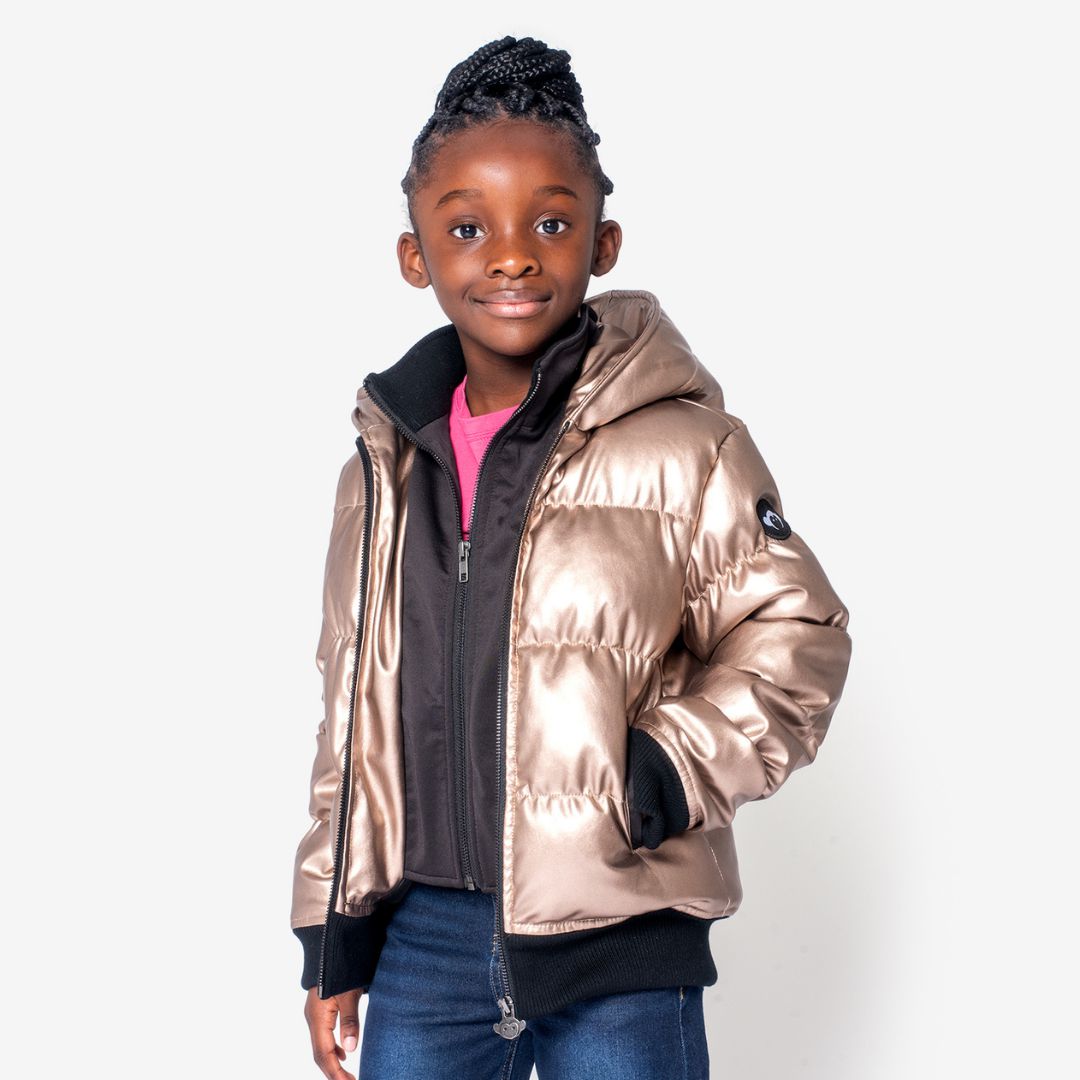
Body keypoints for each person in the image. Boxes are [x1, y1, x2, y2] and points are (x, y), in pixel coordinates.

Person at [290, 34, 853, 1080]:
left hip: (619, 941)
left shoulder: (685, 448)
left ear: (604, 242)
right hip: (421, 945)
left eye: (550, 222)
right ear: (416, 255)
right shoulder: (379, 474)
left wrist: (668, 767)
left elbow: (800, 634)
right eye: (468, 228)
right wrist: (334, 936)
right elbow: (350, 717)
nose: (511, 255)